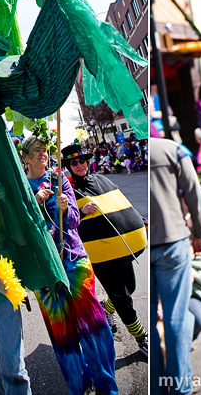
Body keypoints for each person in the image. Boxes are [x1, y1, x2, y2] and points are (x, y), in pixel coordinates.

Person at [22, 135, 118, 395]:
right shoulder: (20, 189)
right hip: (44, 269)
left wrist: (65, 210)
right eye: (36, 151)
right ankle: (78, 386)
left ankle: (107, 386)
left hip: (74, 259)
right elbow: (20, 231)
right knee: (62, 334)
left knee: (94, 326)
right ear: (26, 158)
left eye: (44, 149)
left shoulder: (58, 179)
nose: (43, 153)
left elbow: (74, 220)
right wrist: (35, 200)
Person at [61, 143, 149, 355]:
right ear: (68, 166)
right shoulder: (67, 189)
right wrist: (80, 211)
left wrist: (138, 220)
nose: (80, 164)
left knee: (131, 287)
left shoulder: (101, 178)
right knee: (122, 296)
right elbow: (62, 222)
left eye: (82, 160)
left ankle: (106, 309)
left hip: (124, 248)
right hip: (100, 253)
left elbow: (121, 202)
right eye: (74, 162)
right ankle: (142, 338)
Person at [149, 137, 201, 395]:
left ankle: (157, 387)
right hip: (172, 241)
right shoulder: (172, 150)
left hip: (147, 242)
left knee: (153, 321)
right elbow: (194, 192)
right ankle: (180, 386)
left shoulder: (166, 150)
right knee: (175, 317)